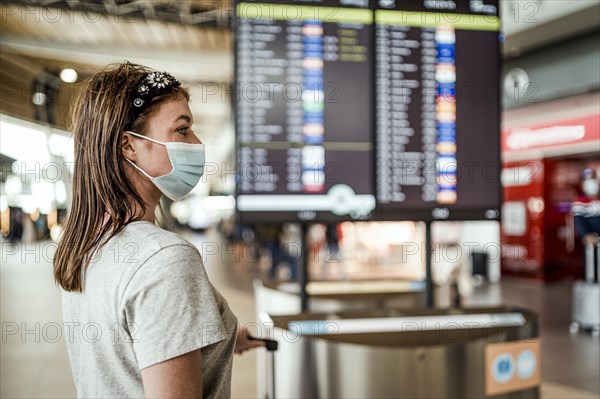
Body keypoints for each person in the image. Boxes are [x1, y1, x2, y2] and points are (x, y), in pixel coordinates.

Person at [53, 62, 263, 398]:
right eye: (182, 130)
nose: (196, 142)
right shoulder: (164, 260)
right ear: (129, 145)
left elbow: (137, 335)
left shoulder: (85, 248)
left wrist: (224, 335)